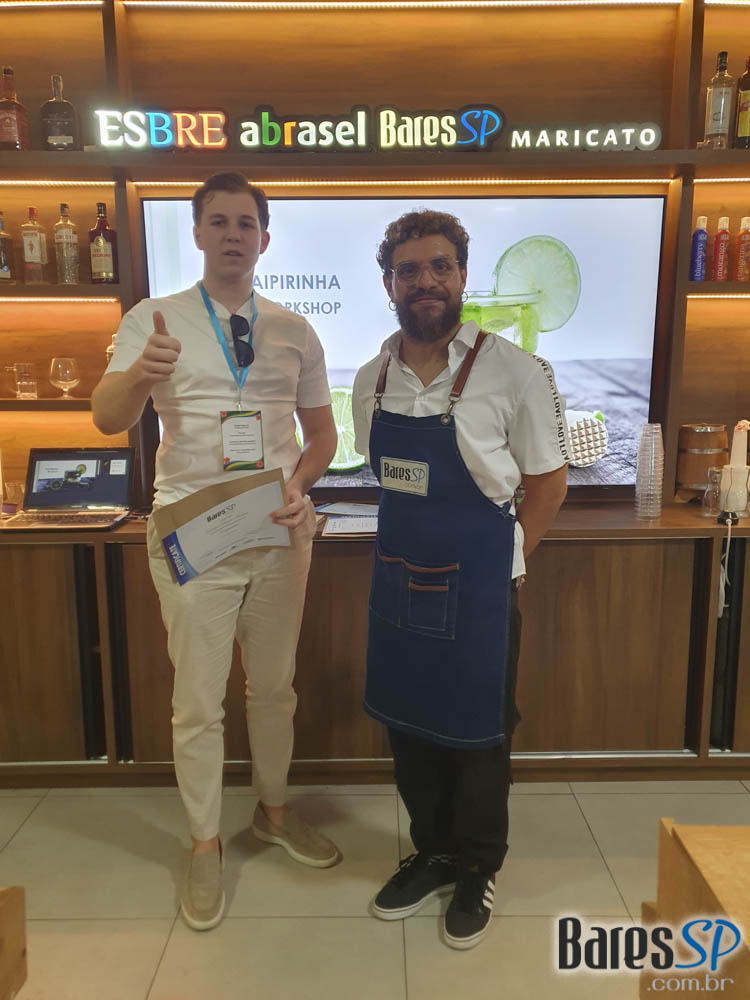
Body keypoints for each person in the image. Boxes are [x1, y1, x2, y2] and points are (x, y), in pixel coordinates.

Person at [92, 172, 340, 932]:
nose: (234, 235)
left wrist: (299, 482)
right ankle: (205, 843)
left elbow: (322, 436)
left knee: (275, 688)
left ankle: (273, 812)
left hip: (277, 530)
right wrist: (141, 374)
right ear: (198, 233)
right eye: (220, 222)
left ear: (265, 239)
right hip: (192, 535)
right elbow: (106, 417)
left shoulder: (294, 329)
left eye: (246, 224)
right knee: (198, 701)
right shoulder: (154, 319)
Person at [352, 209, 569, 950]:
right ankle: (434, 851)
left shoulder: (515, 371)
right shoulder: (371, 379)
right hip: (399, 580)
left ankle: (477, 863)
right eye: (409, 269)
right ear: (389, 283)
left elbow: (548, 483)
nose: (426, 281)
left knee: (479, 732)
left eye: (440, 266)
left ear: (463, 276)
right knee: (409, 723)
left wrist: (506, 559)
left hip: (479, 588)